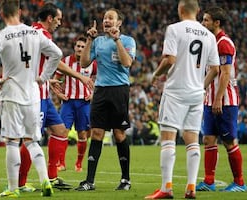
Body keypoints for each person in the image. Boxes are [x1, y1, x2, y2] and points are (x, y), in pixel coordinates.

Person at [0, 0, 62, 197]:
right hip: (33, 94)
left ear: (2, 14)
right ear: (19, 12)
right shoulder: (35, 33)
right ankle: (45, 180)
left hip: (12, 94)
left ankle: (12, 189)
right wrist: (43, 78)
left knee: (12, 142)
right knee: (32, 140)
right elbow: (57, 54)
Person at [144, 0, 220, 199]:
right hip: (196, 93)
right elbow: (215, 69)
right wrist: (200, 86)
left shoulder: (174, 29)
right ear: (197, 11)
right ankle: (191, 187)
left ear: (180, 9)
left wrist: (156, 74)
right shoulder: (210, 36)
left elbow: (169, 59)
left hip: (176, 91)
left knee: (168, 138)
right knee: (192, 139)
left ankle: (166, 188)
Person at [18, 2, 93, 192]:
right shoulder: (41, 34)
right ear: (49, 18)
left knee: (60, 132)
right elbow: (57, 62)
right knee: (31, 139)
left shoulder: (30, 31)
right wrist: (81, 77)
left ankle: (52, 177)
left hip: (44, 93)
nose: (59, 23)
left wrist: (47, 80)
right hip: (37, 96)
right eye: (58, 19)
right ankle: (20, 183)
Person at [75, 8, 136, 192]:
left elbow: (127, 63)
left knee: (119, 134)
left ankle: (125, 179)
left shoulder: (127, 40)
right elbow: (83, 63)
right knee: (96, 134)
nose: (106, 21)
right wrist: (89, 40)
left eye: (110, 18)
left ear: (119, 23)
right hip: (100, 90)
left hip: (119, 90)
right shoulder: (98, 41)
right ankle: (89, 181)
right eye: (104, 18)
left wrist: (117, 39)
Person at [196, 6, 245, 192]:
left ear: (217, 23)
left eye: (206, 20)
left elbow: (225, 74)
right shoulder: (209, 42)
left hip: (225, 101)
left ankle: (239, 183)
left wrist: (218, 99)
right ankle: (209, 181)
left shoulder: (223, 43)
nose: (203, 23)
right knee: (209, 139)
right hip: (210, 100)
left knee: (229, 141)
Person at [53, 35, 97, 172]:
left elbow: (99, 80)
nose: (80, 49)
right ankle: (61, 163)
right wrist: (59, 94)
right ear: (74, 47)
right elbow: (55, 81)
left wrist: (93, 94)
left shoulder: (92, 64)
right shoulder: (65, 61)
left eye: (83, 47)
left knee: (82, 134)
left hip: (84, 103)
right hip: (68, 103)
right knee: (63, 132)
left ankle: (78, 164)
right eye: (78, 46)